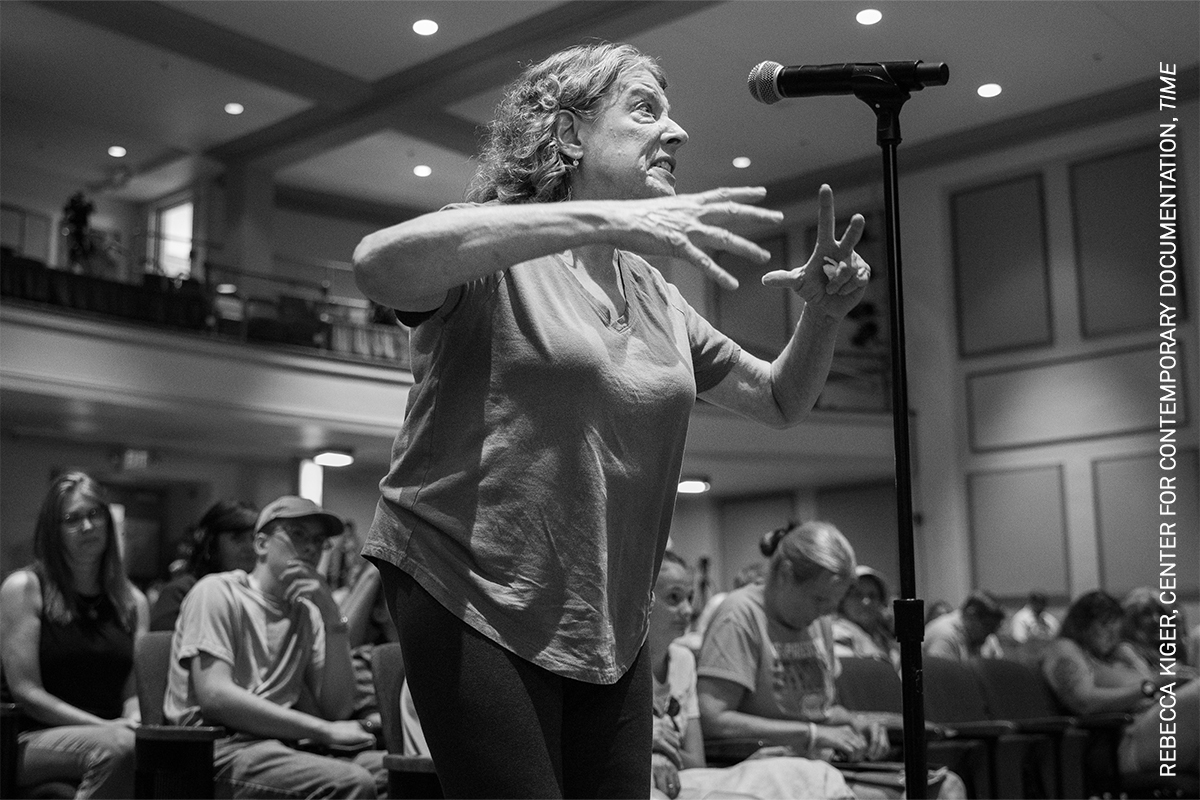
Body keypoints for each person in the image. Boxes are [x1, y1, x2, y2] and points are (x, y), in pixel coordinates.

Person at [353, 41, 871, 797]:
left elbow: (779, 400)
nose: (676, 132)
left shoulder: (655, 293)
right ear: (568, 134)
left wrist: (822, 315)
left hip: (608, 619)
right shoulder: (493, 242)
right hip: (468, 590)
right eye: (645, 109)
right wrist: (590, 217)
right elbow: (377, 265)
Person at [163, 496, 381, 798]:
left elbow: (337, 709)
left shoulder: (306, 613)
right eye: (298, 534)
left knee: (390, 770)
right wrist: (321, 731)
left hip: (280, 745)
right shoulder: (217, 591)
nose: (310, 548)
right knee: (352, 782)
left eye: (318, 541)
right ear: (262, 544)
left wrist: (333, 618)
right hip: (217, 749)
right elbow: (215, 696)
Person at [649, 551, 854, 800]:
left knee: (813, 775)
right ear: (643, 601)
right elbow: (713, 720)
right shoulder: (619, 669)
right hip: (643, 784)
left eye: (690, 598)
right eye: (674, 598)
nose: (688, 610)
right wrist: (644, 752)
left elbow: (696, 763)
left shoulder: (683, 661)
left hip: (687, 781)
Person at [0, 470, 148, 797]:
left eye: (95, 514)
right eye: (72, 519)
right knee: (119, 747)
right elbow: (27, 693)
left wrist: (134, 718)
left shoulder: (132, 601)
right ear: (53, 531)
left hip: (111, 732)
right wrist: (106, 728)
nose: (87, 526)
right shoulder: (24, 588)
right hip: (30, 737)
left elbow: (132, 693)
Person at [1042, 590, 1198, 782]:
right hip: (1123, 741)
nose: (1112, 635)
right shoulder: (1066, 649)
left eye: (1115, 628)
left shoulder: (1108, 655)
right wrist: (1150, 687)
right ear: (1082, 623)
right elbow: (1085, 702)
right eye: (1104, 626)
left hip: (1149, 727)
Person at [149, 499, 258, 631]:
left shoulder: (263, 594)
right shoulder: (180, 592)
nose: (250, 547)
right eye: (238, 539)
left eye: (254, 538)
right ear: (211, 544)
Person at [1121, 586, 1198, 681]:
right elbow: (1146, 684)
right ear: (1133, 620)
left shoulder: (1170, 649)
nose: (1156, 619)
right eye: (1146, 613)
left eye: (1161, 612)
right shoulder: (1127, 650)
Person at [831, 565, 900, 669]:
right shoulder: (838, 635)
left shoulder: (884, 639)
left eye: (872, 596)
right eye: (857, 595)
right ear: (842, 600)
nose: (866, 602)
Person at [922, 591, 1006, 661]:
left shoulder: (977, 636)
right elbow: (940, 674)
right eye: (988, 626)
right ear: (971, 615)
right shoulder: (946, 635)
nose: (990, 633)